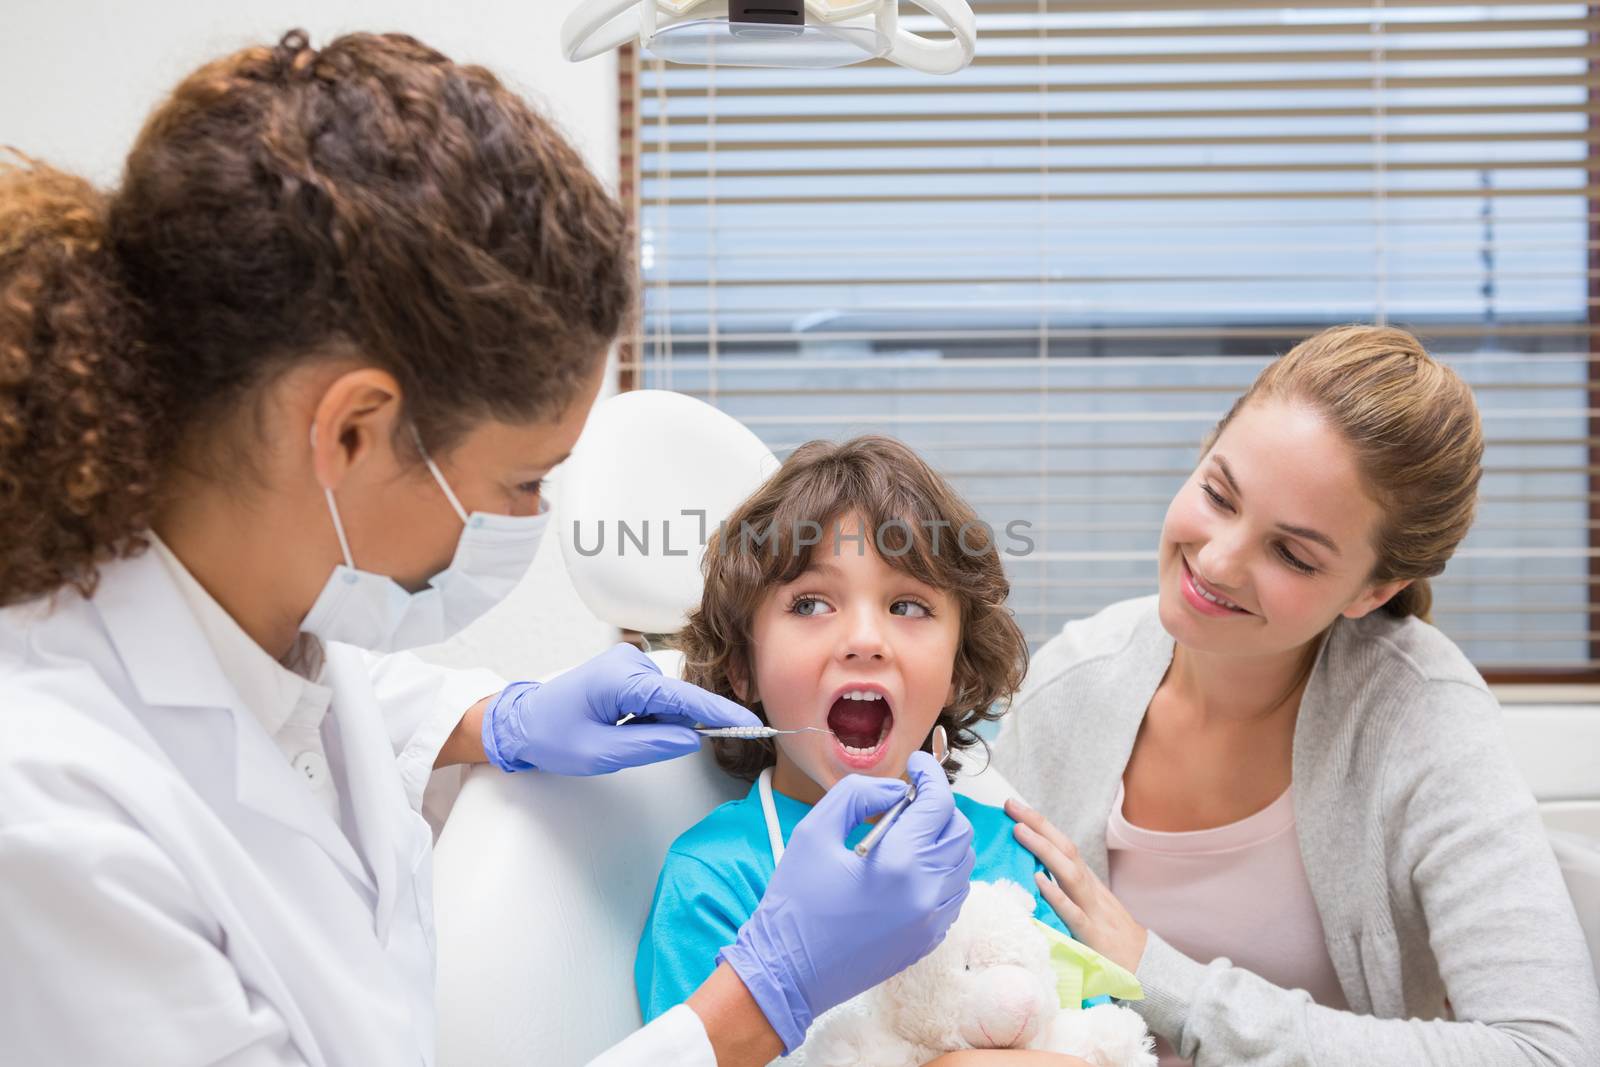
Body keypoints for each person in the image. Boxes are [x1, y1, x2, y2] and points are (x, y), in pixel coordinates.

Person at [0, 30, 973, 1067]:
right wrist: (759, 999)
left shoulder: (275, 643)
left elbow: (314, 710)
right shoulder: (50, 818)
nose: (532, 517)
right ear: (351, 431)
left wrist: (493, 718)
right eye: (524, 481)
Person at [993, 325, 1600, 1066]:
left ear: (1375, 588)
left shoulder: (1419, 717)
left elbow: (1548, 1050)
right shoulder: (1074, 685)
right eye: (1218, 494)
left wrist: (1158, 977)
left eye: (1292, 553)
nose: (1216, 559)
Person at [636, 435, 1110, 1064]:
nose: (865, 639)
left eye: (907, 605)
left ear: (959, 669)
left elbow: (1101, 1046)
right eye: (810, 603)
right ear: (743, 669)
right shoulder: (713, 880)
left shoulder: (1015, 860)